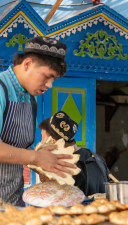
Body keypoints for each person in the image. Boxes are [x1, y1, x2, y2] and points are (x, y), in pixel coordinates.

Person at [0, 36, 76, 206]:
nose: (50, 86)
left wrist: (46, 157)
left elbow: (19, 149)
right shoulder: (1, 89)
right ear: (27, 64)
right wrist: (36, 157)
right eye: (47, 77)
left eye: (53, 80)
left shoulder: (29, 98)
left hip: (12, 201)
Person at [38, 111, 111, 196]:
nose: (41, 142)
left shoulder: (67, 167)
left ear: (52, 140)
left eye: (42, 138)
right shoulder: (97, 158)